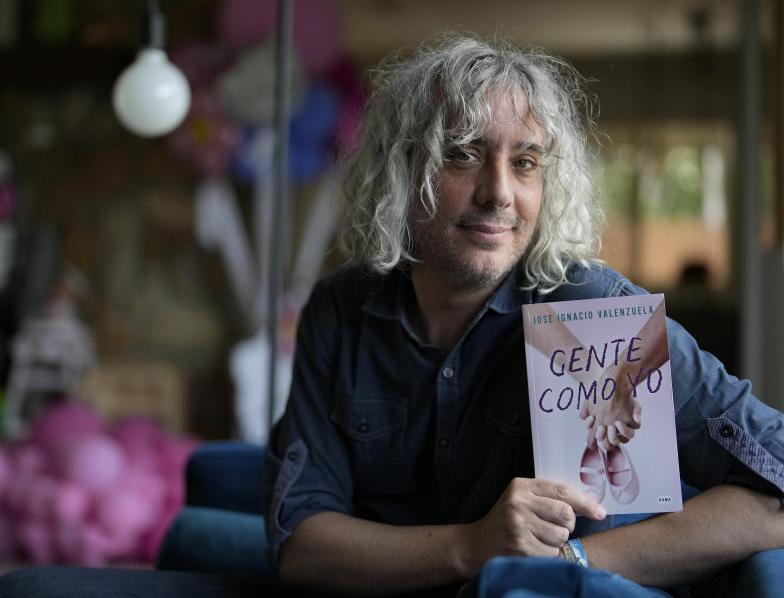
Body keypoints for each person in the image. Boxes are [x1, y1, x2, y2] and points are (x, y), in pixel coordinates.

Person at [263, 34, 784, 597]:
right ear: (401, 169)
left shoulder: (592, 310)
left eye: (526, 162)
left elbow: (776, 480)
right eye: (462, 153)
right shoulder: (340, 311)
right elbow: (301, 545)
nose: (500, 193)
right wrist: (472, 547)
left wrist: (567, 560)